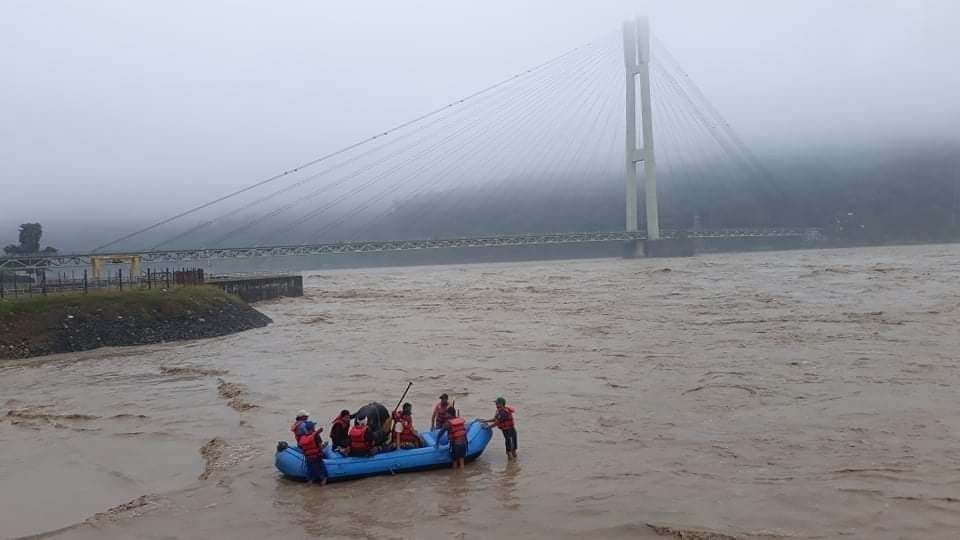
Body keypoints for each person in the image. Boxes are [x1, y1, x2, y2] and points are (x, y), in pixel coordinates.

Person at [296, 421, 328, 485]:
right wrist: (325, 445)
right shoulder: (316, 436)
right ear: (312, 428)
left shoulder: (303, 438)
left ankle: (310, 482)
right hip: (317, 456)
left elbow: (301, 447)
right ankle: (323, 481)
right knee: (322, 470)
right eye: (314, 426)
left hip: (308, 457)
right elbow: (320, 447)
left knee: (310, 471)